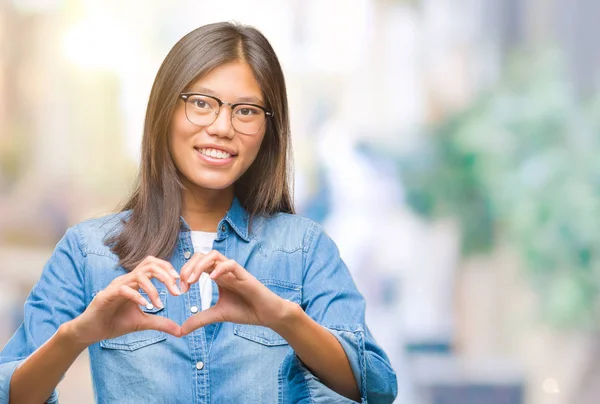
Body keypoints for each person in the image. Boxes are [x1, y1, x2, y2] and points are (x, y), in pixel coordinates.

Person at [0, 22, 398, 403]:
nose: (223, 127)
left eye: (246, 111)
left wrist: (284, 318)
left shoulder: (305, 249)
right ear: (165, 110)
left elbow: (376, 386)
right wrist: (75, 336)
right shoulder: (88, 251)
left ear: (267, 129)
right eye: (202, 103)